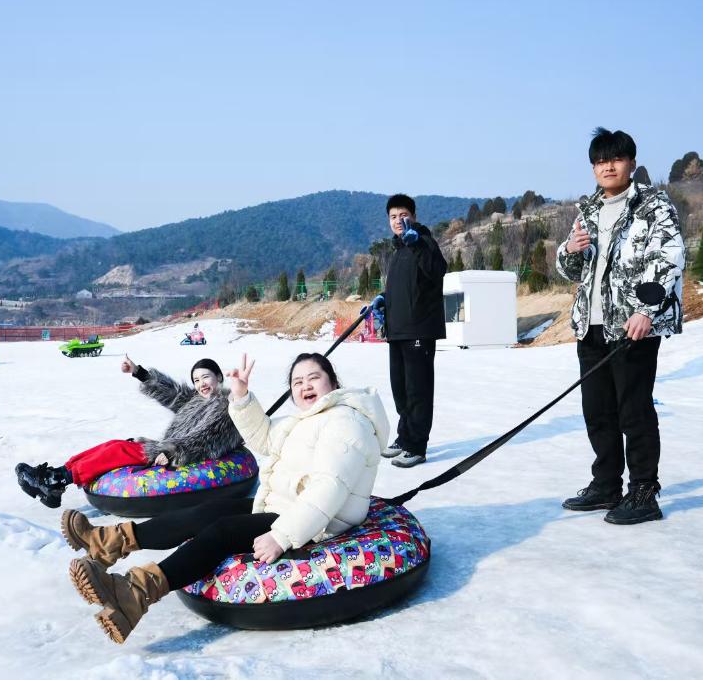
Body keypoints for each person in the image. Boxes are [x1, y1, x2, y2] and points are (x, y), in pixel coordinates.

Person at [62, 352, 388, 643]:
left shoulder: (346, 422)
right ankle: (109, 542)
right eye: (297, 381)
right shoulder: (305, 420)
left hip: (320, 523)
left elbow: (328, 489)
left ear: (333, 381)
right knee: (207, 511)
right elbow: (264, 438)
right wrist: (242, 398)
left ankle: (133, 594)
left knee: (222, 532)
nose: (305, 386)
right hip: (285, 505)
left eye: (313, 377)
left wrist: (282, 536)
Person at [555, 127, 684, 525]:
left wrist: (647, 310)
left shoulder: (653, 206)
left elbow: (669, 257)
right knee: (597, 411)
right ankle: (606, 484)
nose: (607, 167)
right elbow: (570, 270)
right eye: (599, 161)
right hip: (591, 324)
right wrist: (569, 250)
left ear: (631, 163)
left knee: (634, 410)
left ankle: (643, 492)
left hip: (632, 327)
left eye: (615, 159)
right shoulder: (589, 210)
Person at [15, 356, 242, 508]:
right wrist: (138, 372)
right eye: (196, 380)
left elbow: (206, 441)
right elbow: (172, 393)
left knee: (117, 450)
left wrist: (172, 453)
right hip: (166, 448)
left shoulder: (225, 406)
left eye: (206, 377)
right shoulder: (196, 401)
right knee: (112, 444)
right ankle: (57, 476)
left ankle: (57, 480)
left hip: (174, 455)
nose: (201, 384)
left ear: (219, 377)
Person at [366, 193, 447, 468]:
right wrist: (383, 299)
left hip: (419, 330)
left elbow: (437, 271)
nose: (398, 220)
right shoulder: (398, 250)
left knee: (418, 390)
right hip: (398, 331)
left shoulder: (423, 241)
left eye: (403, 215)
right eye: (393, 216)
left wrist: (418, 245)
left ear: (413, 216)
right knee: (400, 389)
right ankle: (404, 437)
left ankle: (417, 446)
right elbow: (404, 288)